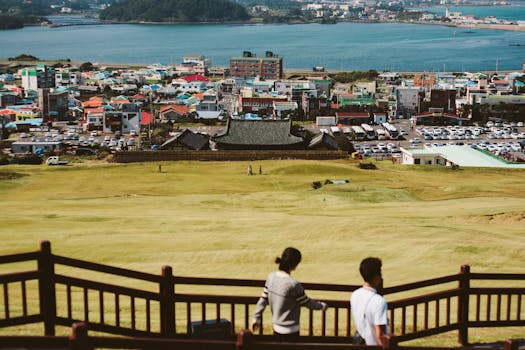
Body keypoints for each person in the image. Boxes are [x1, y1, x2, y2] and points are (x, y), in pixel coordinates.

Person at [252, 247, 327, 341]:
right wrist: (322, 306)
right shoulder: (293, 284)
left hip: (276, 327)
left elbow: (263, 300)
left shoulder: (271, 278)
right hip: (291, 331)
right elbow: (307, 302)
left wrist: (256, 318)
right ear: (294, 265)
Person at [350, 257, 388, 346]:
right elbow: (380, 335)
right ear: (376, 275)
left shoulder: (355, 295)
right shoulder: (379, 301)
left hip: (360, 343)